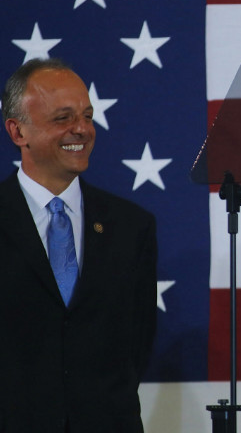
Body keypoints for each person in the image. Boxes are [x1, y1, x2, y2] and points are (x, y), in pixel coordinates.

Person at [0, 59, 157, 432]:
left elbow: (137, 342)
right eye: (63, 118)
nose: (82, 129)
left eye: (87, 116)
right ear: (18, 131)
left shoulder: (131, 227)